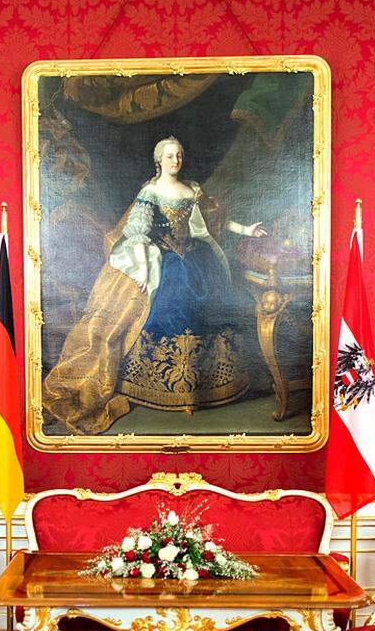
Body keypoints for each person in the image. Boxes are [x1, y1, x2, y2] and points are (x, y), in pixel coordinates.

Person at [43, 136, 267, 434]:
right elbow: (136, 232)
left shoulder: (192, 189)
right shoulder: (151, 191)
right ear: (158, 160)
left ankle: (203, 385)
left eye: (178, 155)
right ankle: (160, 383)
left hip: (197, 260)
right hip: (164, 261)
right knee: (172, 305)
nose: (175, 160)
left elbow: (213, 220)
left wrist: (246, 229)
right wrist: (145, 269)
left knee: (213, 307)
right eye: (169, 156)